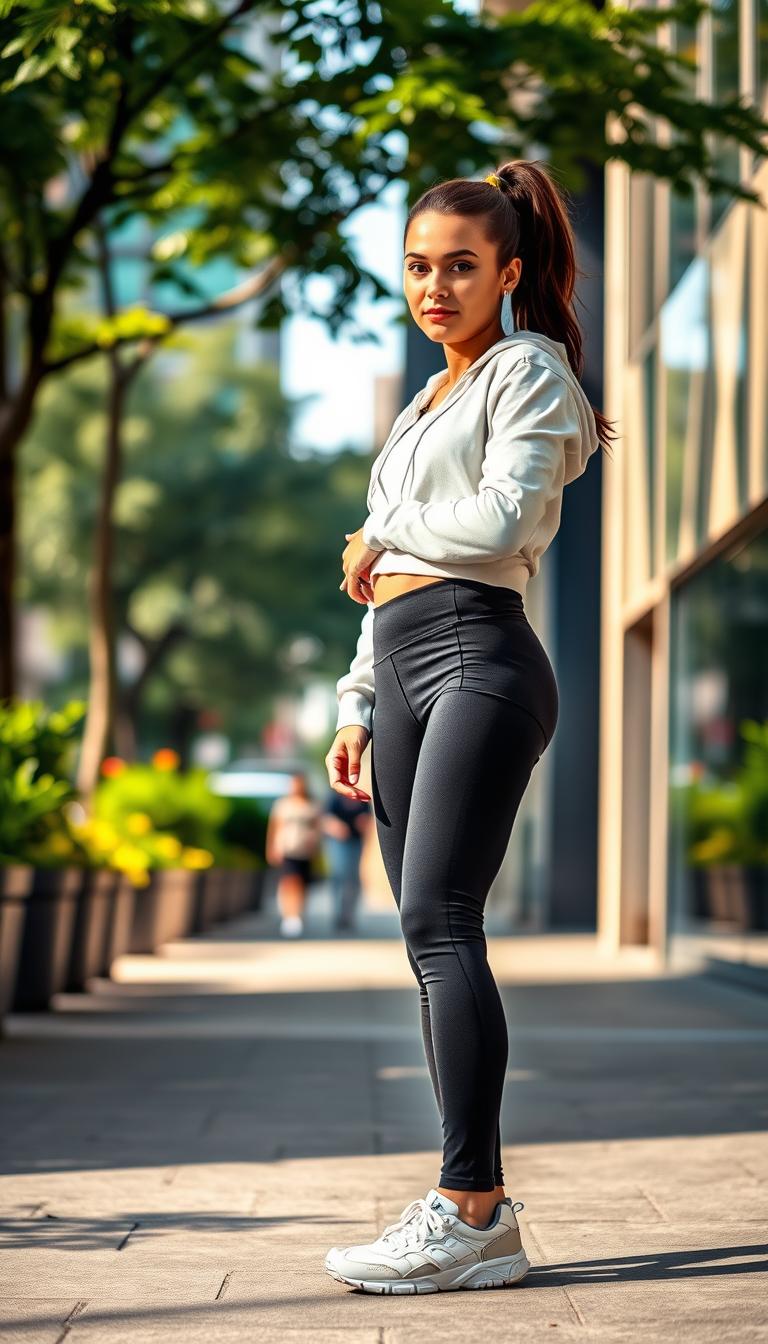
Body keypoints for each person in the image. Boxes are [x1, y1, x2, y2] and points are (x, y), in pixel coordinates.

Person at [323, 161, 616, 1294]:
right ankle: (470, 1203)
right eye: (417, 266)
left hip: (478, 657)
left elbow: (504, 521)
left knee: (444, 922)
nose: (435, 287)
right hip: (399, 664)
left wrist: (377, 527)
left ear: (509, 270)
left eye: (459, 266)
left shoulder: (528, 371)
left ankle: (470, 1205)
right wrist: (354, 701)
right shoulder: (422, 404)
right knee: (422, 933)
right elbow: (375, 575)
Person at [266, 772, 323, 938]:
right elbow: (274, 827)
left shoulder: (311, 805)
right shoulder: (283, 805)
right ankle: (288, 914)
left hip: (305, 849)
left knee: (302, 884)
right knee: (289, 882)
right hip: (287, 848)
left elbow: (317, 828)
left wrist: (317, 850)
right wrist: (271, 848)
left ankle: (298, 913)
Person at [320, 787, 371, 932]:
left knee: (353, 878)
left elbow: (368, 820)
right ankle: (337, 913)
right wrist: (336, 827)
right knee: (338, 875)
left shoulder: (361, 797)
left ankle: (348, 914)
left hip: (356, 842)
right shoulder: (334, 797)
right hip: (337, 842)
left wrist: (363, 824)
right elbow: (325, 819)